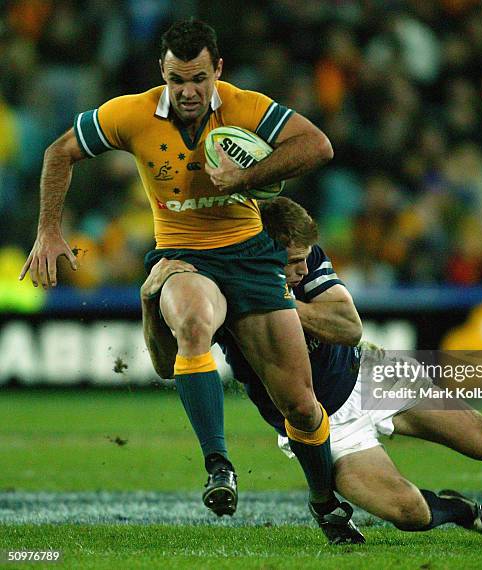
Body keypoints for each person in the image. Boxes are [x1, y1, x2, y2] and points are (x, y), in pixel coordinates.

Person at [19, 20, 362, 544]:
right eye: (177, 79)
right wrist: (47, 231)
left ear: (217, 71)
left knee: (299, 402)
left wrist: (245, 178)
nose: (188, 91)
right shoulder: (130, 113)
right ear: (163, 72)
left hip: (250, 256)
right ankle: (219, 467)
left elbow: (317, 146)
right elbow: (58, 151)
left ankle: (324, 502)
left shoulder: (245, 107)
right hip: (182, 255)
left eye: (198, 78)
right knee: (195, 322)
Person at [143, 197, 482, 543]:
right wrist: (150, 303)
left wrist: (281, 304)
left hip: (369, 376)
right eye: (291, 263)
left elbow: (348, 326)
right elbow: (168, 366)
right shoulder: (215, 287)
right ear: (263, 254)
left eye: (304, 259)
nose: (301, 269)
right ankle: (460, 510)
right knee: (409, 514)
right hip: (322, 425)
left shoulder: (305, 262)